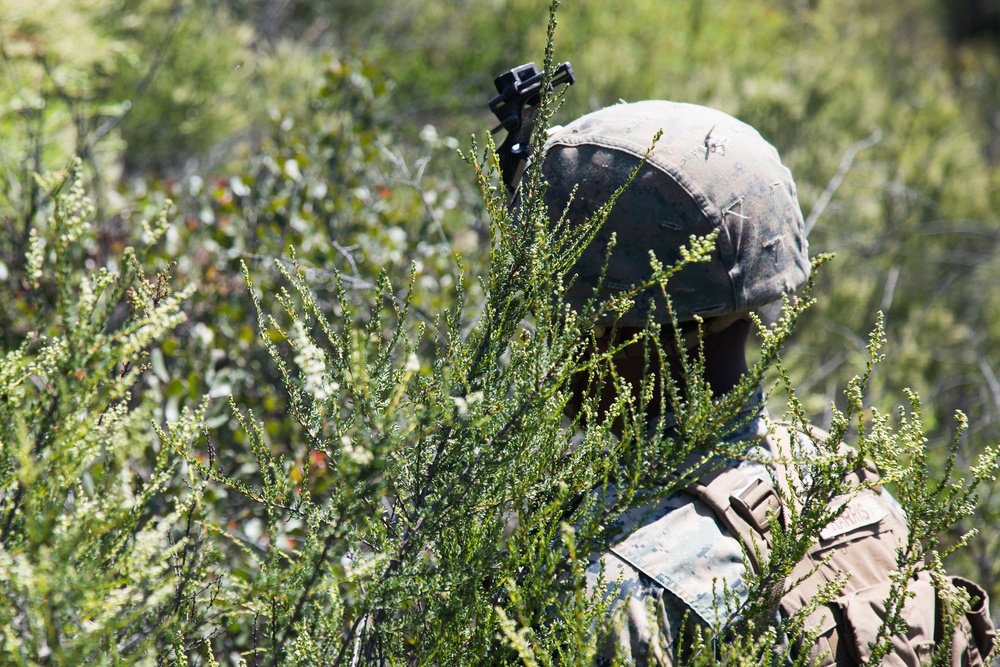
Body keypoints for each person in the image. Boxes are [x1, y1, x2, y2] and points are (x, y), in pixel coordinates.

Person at [538, 100, 995, 666]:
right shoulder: (858, 494)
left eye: (555, 308)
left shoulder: (614, 578)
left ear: (612, 321)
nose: (548, 338)